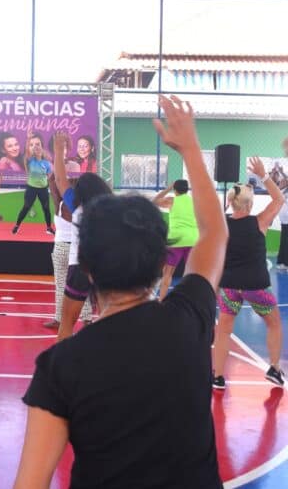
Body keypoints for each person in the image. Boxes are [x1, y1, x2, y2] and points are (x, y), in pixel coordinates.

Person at [14, 95, 227, 489]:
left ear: (88, 269)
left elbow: (30, 483)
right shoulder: (189, 318)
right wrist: (190, 149)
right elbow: (215, 232)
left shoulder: (60, 367)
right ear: (159, 258)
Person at [212, 156, 285, 390]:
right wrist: (264, 175)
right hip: (256, 287)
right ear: (250, 204)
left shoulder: (221, 223)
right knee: (273, 323)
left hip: (229, 287)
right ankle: (274, 368)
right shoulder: (260, 222)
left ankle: (218, 377)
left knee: (223, 330)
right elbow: (279, 198)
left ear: (232, 203)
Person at [48, 132, 112, 341]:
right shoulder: (112, 210)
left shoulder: (77, 208)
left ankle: (58, 368)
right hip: (104, 269)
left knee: (66, 323)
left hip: (79, 267)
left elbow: (59, 179)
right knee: (107, 321)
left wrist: (59, 150)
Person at [43, 173, 92, 330]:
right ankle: (87, 319)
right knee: (83, 286)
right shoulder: (86, 208)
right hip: (77, 250)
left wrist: (60, 168)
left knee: (60, 285)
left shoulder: (60, 204)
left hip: (62, 248)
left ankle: (59, 319)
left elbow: (52, 180)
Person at [152, 179, 199, 299]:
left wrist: (168, 189)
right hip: (193, 239)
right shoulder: (194, 201)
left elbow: (154, 201)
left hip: (176, 240)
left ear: (175, 189)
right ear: (187, 189)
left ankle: (161, 299)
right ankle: (189, 299)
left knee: (167, 273)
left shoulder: (172, 200)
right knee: (190, 273)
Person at [12, 132, 55, 235]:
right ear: (34, 152)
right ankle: (17, 226)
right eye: (35, 148)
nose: (37, 149)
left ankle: (49, 228)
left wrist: (45, 181)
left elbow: (50, 176)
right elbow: (26, 151)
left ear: (42, 150)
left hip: (43, 189)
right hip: (31, 188)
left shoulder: (47, 163)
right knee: (26, 207)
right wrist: (28, 139)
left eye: (38, 147)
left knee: (46, 209)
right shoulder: (30, 160)